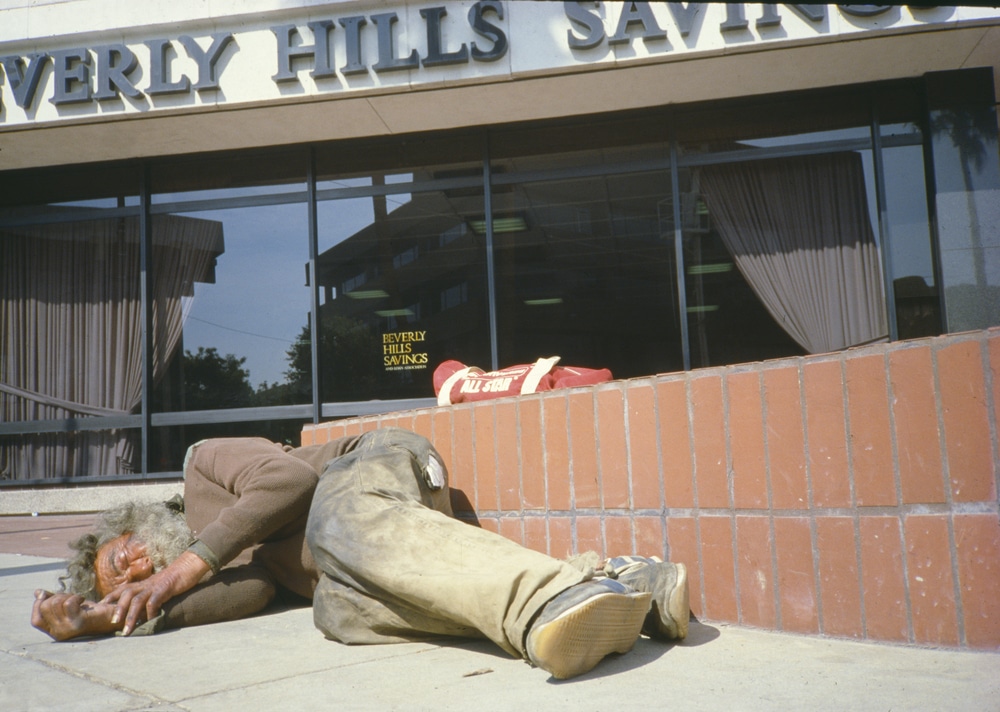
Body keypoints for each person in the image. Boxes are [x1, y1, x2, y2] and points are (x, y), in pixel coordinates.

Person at [31, 428, 689, 679]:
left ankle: (546, 599)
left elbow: (291, 482)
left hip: (377, 466)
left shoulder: (203, 468)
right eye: (124, 584)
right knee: (337, 614)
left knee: (329, 525)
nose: (141, 572)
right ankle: (619, 585)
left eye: (124, 561)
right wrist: (105, 619)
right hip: (369, 550)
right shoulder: (237, 565)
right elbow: (248, 594)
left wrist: (187, 564)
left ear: (132, 524)